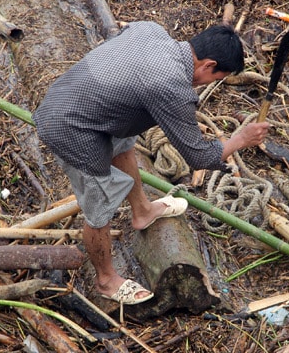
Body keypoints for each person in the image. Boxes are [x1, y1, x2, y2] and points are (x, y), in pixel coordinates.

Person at [33, 21, 270, 306]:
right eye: (215, 78)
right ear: (208, 65)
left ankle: (142, 211)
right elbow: (199, 157)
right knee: (100, 206)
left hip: (73, 98)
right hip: (69, 126)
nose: (209, 83)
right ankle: (106, 280)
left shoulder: (150, 30)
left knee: (124, 145)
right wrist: (241, 139)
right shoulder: (171, 86)